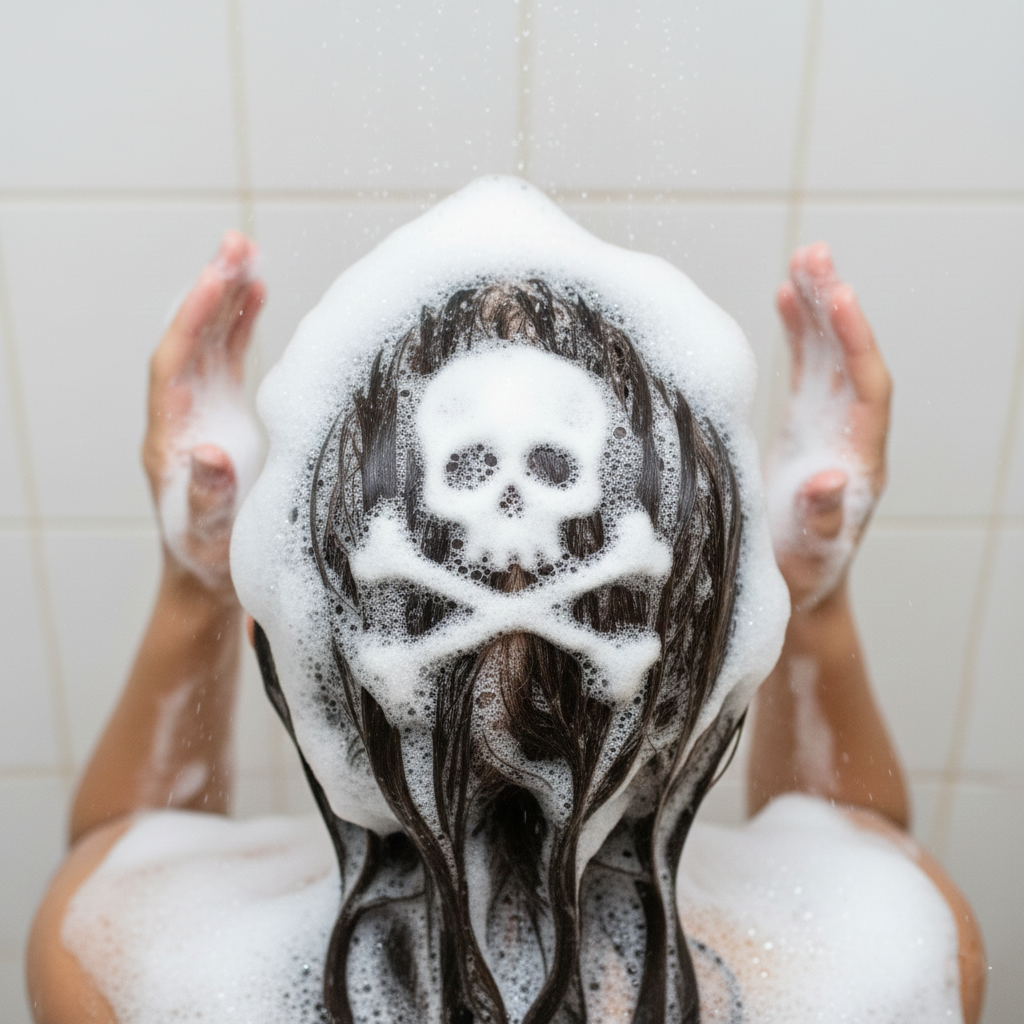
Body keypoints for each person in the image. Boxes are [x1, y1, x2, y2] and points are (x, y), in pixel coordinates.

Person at [26, 190, 984, 1024]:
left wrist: (193, 580)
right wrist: (813, 601)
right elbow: (862, 847)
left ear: (295, 644)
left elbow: (119, 854)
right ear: (721, 661)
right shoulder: (887, 966)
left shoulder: (119, 974)